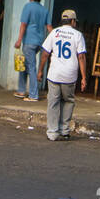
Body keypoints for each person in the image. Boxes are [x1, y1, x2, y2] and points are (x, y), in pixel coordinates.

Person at [38, 9, 87, 142]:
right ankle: (64, 130)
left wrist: (40, 70)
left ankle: (52, 133)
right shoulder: (78, 35)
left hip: (54, 74)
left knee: (53, 102)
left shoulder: (54, 32)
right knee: (68, 101)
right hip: (69, 75)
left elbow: (45, 54)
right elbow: (81, 56)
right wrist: (83, 77)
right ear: (72, 21)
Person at [14, 0, 51, 101]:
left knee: (31, 68)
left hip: (29, 41)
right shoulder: (45, 10)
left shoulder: (28, 7)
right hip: (39, 42)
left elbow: (23, 25)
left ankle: (33, 94)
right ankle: (21, 90)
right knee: (23, 65)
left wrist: (19, 40)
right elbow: (49, 27)